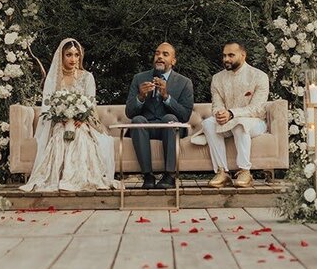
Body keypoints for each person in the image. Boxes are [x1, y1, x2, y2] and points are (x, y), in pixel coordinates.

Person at [21, 38, 116, 192]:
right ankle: (60, 178)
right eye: (69, 55)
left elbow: (91, 104)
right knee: (60, 136)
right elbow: (49, 106)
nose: (73, 59)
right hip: (60, 122)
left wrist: (83, 119)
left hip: (84, 123)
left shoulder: (87, 77)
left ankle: (80, 178)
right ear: (61, 56)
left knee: (80, 136)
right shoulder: (54, 79)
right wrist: (62, 118)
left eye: (77, 55)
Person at [192, 41, 269, 188]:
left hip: (255, 122)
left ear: (243, 55)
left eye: (231, 55)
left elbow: (257, 108)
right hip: (228, 120)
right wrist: (220, 113)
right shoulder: (217, 78)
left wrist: (232, 113)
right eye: (224, 55)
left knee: (240, 124)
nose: (226, 59)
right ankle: (222, 172)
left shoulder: (259, 76)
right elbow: (217, 104)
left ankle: (245, 171)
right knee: (208, 123)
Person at [125, 42, 194, 190]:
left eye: (165, 54)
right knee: (137, 120)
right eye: (157, 53)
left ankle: (169, 175)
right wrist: (141, 97)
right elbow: (129, 112)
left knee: (169, 119)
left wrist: (166, 96)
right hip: (147, 127)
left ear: (173, 61)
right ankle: (147, 175)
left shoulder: (184, 82)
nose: (160, 57)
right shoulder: (139, 78)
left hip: (170, 129)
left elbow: (185, 115)